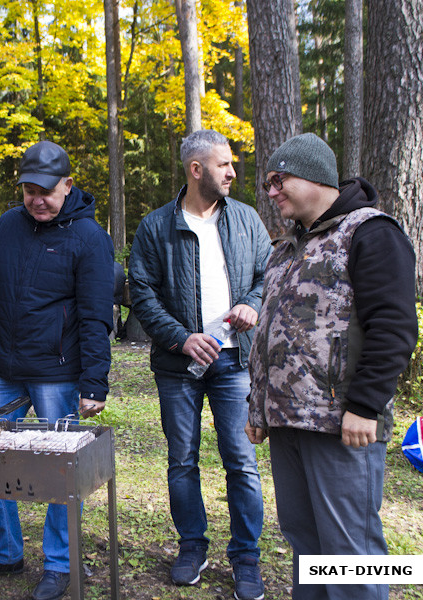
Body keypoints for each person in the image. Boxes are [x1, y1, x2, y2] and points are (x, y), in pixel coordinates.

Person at [245, 133, 418, 600]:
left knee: (350, 558)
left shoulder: (371, 232)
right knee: (308, 549)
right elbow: (270, 336)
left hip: (342, 425)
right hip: (288, 423)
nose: (272, 190)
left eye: (279, 180)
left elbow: (395, 327)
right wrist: (258, 408)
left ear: (314, 175)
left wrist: (364, 405)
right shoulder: (285, 249)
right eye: (268, 184)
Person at [0, 141, 114, 600]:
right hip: (3, 368)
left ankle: (59, 564)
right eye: (28, 190)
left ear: (67, 184)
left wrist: (94, 380)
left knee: (57, 469)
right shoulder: (8, 225)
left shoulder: (89, 237)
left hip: (57, 373)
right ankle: (5, 552)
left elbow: (96, 314)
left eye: (45, 190)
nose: (37, 199)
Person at [128, 129, 270, 600]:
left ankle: (246, 557)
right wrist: (181, 339)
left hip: (234, 365)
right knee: (182, 461)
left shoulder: (247, 220)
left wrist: (252, 304)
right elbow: (141, 293)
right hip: (178, 368)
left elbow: (267, 275)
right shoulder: (155, 226)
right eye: (223, 164)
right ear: (196, 170)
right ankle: (192, 546)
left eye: (231, 165)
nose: (232, 172)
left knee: (242, 462)